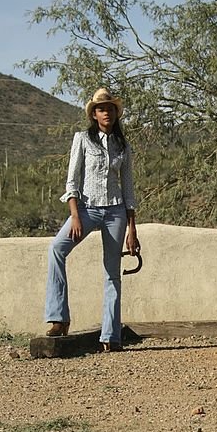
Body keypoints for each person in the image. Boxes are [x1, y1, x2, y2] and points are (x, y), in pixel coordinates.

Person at [45, 87, 139, 352]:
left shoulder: (123, 145)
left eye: (109, 108)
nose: (106, 112)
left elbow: (128, 189)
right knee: (56, 249)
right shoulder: (82, 140)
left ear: (115, 113)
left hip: (115, 212)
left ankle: (111, 336)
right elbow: (72, 180)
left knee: (112, 273)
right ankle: (58, 318)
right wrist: (74, 215)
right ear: (94, 114)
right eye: (101, 109)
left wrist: (132, 230)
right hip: (85, 209)